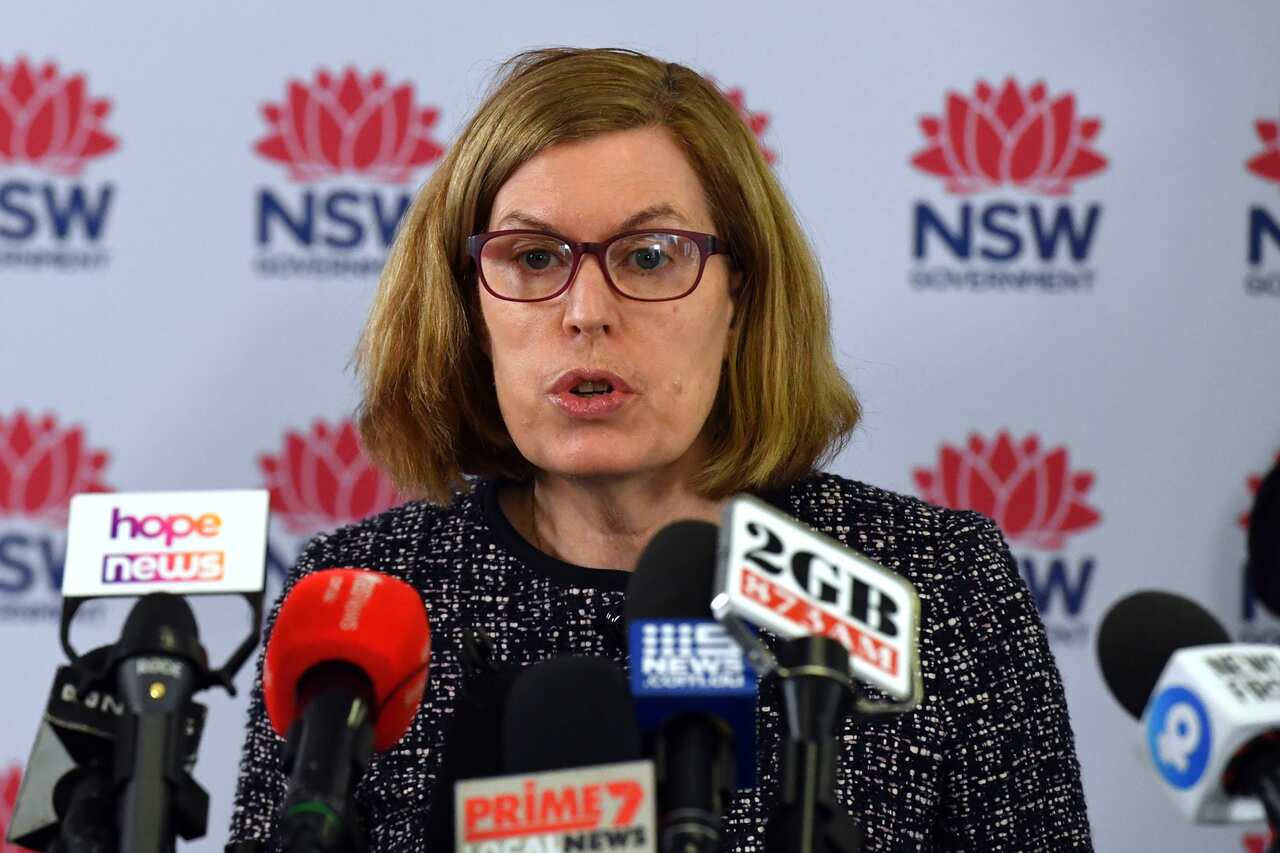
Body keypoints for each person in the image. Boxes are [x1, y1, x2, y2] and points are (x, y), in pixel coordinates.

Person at [229, 47, 1092, 851]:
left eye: (648, 256)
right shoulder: (362, 604)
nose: (585, 312)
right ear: (472, 309)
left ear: (738, 299)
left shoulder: (934, 581)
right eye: (534, 256)